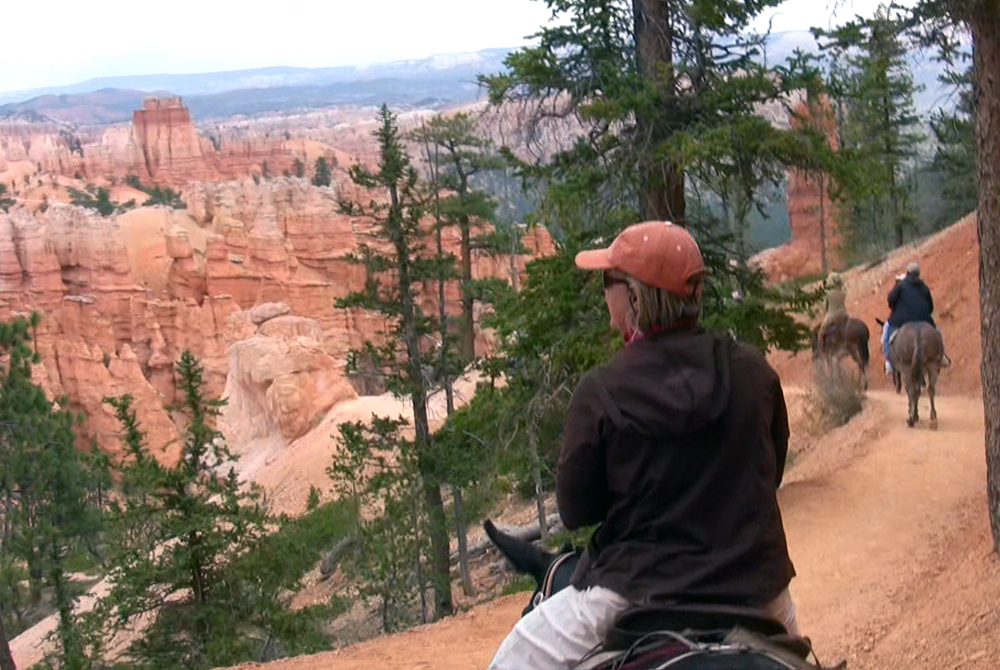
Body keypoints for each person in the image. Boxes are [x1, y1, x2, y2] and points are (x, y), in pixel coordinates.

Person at [488, 221, 799, 670]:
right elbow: (771, 474)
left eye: (607, 282)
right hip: (757, 587)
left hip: (633, 591)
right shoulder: (754, 373)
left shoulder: (602, 390)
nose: (603, 293)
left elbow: (577, 511)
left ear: (634, 297)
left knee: (513, 659)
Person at [883, 262, 949, 374]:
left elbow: (890, 300)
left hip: (901, 321)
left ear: (907, 273)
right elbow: (930, 307)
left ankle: (889, 361)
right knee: (937, 333)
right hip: (923, 319)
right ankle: (941, 356)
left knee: (887, 333)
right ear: (918, 274)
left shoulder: (900, 285)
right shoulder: (924, 287)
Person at [817, 272, 849, 356]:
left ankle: (822, 352)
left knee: (821, 333)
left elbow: (825, 308)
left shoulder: (827, 293)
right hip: (844, 314)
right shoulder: (843, 292)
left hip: (832, 315)